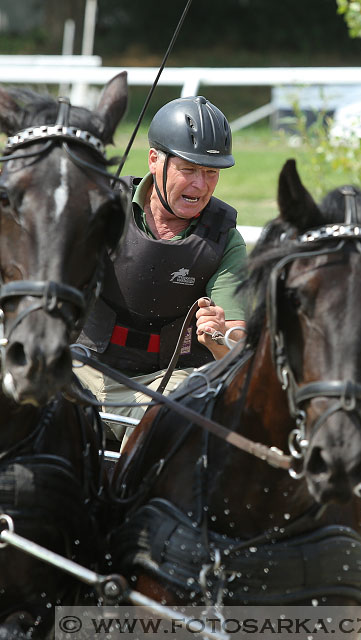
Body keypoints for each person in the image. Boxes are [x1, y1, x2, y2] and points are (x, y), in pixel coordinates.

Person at [76, 96, 247, 442]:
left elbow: (238, 345)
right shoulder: (102, 209)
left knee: (168, 419)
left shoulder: (226, 240)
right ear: (155, 160)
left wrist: (217, 336)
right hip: (82, 367)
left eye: (211, 172)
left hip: (168, 381)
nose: (201, 186)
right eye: (189, 170)